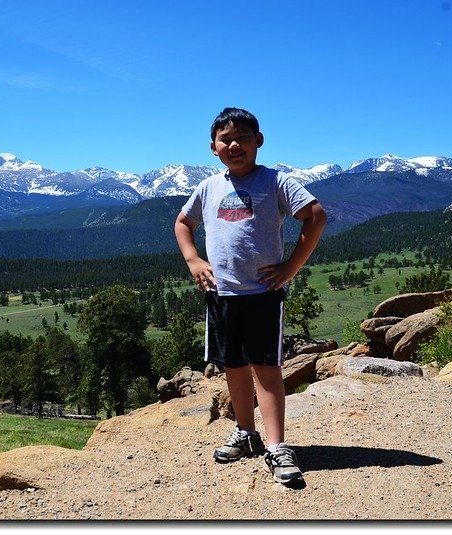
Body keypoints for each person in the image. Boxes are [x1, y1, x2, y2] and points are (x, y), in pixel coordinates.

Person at [174, 107, 327, 484]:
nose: (234, 144)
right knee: (234, 367)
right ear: (213, 148)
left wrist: (291, 267)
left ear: (259, 141)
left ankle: (277, 446)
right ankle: (246, 433)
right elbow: (182, 222)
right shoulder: (208, 187)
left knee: (267, 369)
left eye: (243, 137)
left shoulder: (277, 182)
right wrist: (193, 259)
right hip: (221, 294)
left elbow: (316, 215)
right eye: (226, 139)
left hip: (262, 293)